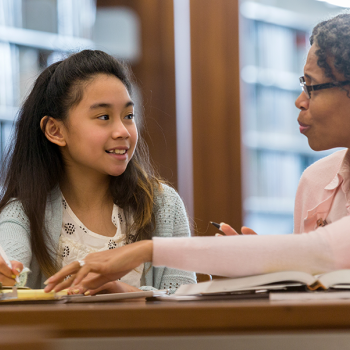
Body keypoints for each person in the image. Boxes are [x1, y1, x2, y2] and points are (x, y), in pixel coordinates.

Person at [44, 13, 350, 293]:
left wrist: (144, 251)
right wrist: (274, 272)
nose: (300, 100)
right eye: (303, 84)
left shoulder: (161, 203)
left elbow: (322, 249)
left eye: (311, 86)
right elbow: (314, 291)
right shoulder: (315, 181)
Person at [0, 50, 196, 293]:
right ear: (55, 130)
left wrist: (126, 294)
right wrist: (8, 276)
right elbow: (10, 266)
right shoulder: (23, 213)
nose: (123, 131)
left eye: (128, 116)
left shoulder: (164, 205)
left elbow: (185, 306)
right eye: (104, 116)